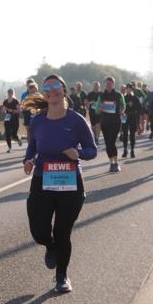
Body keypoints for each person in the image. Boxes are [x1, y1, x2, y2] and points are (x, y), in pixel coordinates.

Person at [22, 74, 98, 293]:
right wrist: (28, 160)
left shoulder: (76, 120)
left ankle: (62, 276)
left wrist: (78, 153)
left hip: (70, 182)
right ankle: (50, 245)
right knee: (39, 231)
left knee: (63, 232)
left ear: (64, 90)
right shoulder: (38, 121)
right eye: (47, 87)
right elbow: (32, 147)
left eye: (56, 86)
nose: (51, 90)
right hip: (42, 180)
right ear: (44, 93)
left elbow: (92, 150)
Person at [97, 76, 125, 172]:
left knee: (111, 142)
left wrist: (122, 110)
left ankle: (116, 163)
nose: (108, 85)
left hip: (115, 122)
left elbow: (123, 105)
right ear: (105, 84)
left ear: (113, 84)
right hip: (105, 122)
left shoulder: (119, 95)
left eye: (110, 83)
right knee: (107, 144)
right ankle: (111, 163)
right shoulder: (101, 96)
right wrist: (100, 108)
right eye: (107, 83)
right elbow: (96, 110)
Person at [121, 84, 143, 158]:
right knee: (125, 134)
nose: (128, 90)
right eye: (127, 89)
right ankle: (125, 150)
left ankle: (132, 150)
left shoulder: (135, 98)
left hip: (133, 117)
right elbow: (120, 107)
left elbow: (139, 108)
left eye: (129, 89)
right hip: (125, 117)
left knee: (132, 134)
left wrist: (137, 119)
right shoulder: (123, 97)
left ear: (131, 90)